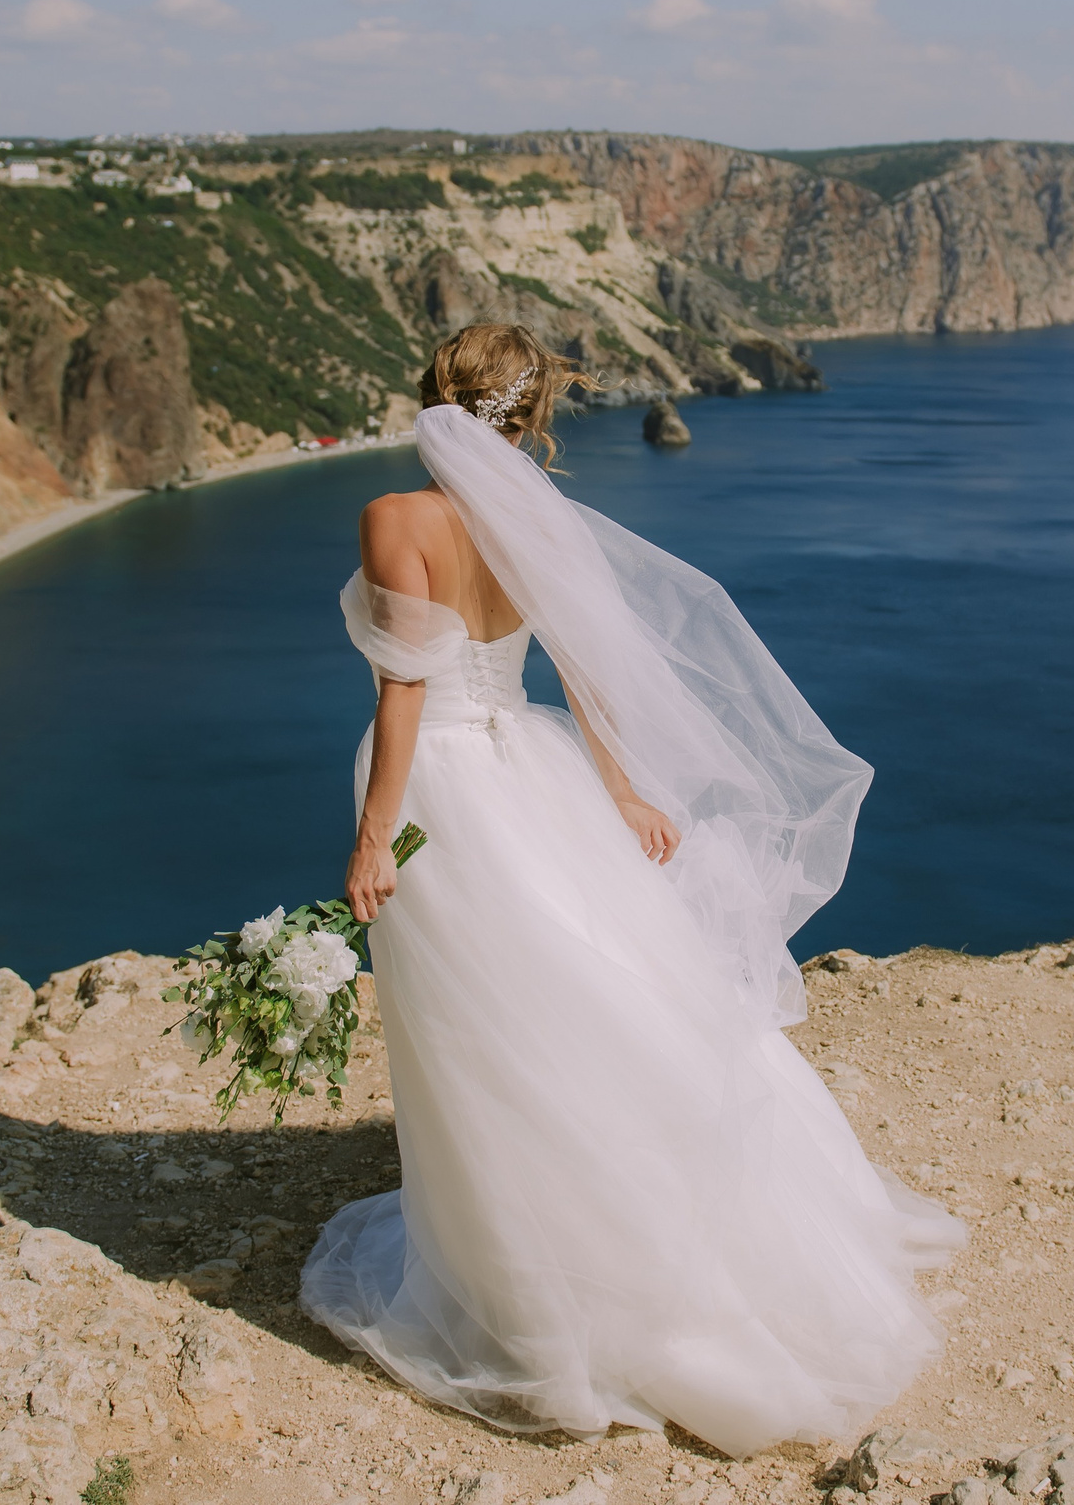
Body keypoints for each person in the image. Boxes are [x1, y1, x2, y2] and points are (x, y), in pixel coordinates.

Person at [299, 323, 964, 1456]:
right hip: (536, 763)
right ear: (532, 413)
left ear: (434, 401)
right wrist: (622, 793)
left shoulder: (395, 518)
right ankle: (645, 1234)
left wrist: (374, 834)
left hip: (449, 786)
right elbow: (593, 669)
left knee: (480, 1022)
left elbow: (403, 694)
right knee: (581, 995)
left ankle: (521, 1279)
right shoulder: (538, 520)